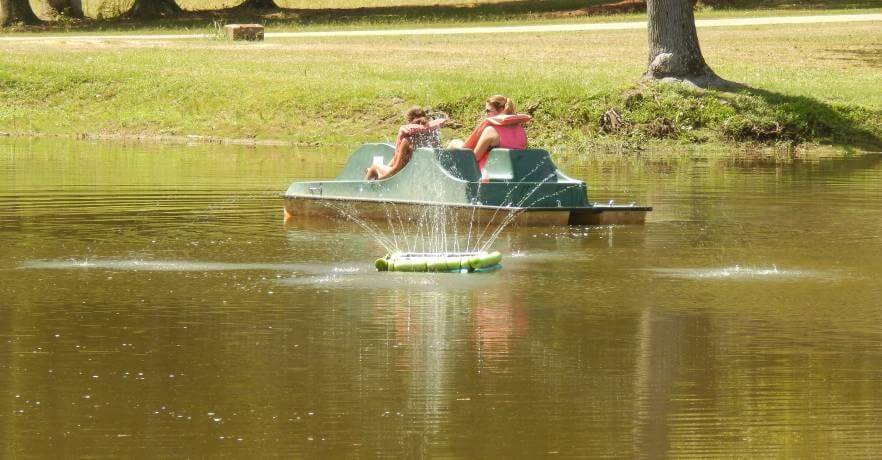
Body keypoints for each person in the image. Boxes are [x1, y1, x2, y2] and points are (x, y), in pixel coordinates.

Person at [452, 95, 531, 174]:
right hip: (515, 176)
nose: (486, 115)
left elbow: (474, 159)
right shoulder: (521, 131)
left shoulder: (490, 131)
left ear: (501, 110)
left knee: (454, 143)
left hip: (488, 177)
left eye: (488, 111)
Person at [365, 106, 447, 180]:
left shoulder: (407, 140)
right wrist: (384, 169)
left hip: (401, 177)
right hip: (418, 176)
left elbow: (395, 170)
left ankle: (362, 190)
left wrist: (380, 179)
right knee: (378, 169)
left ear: (409, 121)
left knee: (374, 167)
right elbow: (395, 159)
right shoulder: (431, 137)